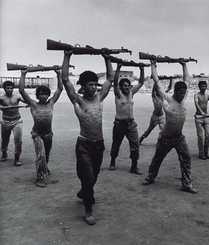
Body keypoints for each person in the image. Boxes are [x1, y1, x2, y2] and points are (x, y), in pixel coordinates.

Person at [61, 50, 114, 225]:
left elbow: (110, 79)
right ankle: (88, 209)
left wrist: (106, 58)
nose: (93, 87)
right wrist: (67, 56)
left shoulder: (99, 98)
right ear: (83, 86)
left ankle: (85, 191)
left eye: (94, 84)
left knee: (94, 176)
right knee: (88, 176)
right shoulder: (78, 100)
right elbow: (65, 80)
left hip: (99, 145)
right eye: (89, 84)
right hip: (84, 144)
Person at [143, 60, 197, 194]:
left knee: (186, 158)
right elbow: (157, 81)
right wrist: (153, 65)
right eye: (180, 93)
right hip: (165, 137)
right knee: (158, 158)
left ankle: (186, 184)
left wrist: (184, 65)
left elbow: (187, 80)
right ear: (175, 92)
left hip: (179, 137)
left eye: (184, 93)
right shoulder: (167, 99)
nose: (183, 95)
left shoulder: (184, 100)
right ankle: (150, 177)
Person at [19, 69, 63, 187]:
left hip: (48, 134)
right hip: (37, 134)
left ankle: (45, 168)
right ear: (37, 95)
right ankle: (40, 177)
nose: (43, 96)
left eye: (46, 94)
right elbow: (22, 91)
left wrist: (58, 74)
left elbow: (59, 89)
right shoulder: (33, 104)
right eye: (41, 94)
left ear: (48, 95)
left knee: (46, 155)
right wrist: (23, 74)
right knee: (41, 155)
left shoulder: (51, 103)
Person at [109, 63, 145, 174]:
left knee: (135, 145)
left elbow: (141, 82)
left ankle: (134, 167)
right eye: (124, 85)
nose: (127, 87)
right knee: (116, 144)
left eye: (128, 85)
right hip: (119, 124)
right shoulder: (118, 94)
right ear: (121, 87)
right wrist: (118, 68)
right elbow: (115, 83)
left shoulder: (131, 93)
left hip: (131, 124)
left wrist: (141, 69)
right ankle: (112, 161)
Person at [139, 77, 174, 144]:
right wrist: (156, 80)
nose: (159, 90)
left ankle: (161, 141)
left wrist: (171, 79)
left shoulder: (162, 96)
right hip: (154, 117)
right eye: (158, 89)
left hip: (161, 117)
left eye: (159, 89)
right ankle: (140, 139)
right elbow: (154, 90)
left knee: (163, 130)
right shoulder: (154, 96)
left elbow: (169, 88)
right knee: (149, 130)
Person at [0, 80, 27, 165]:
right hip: (5, 121)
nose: (9, 89)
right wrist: (3, 107)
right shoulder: (1, 97)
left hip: (17, 121)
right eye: (7, 88)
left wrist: (28, 103)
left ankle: (17, 158)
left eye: (11, 88)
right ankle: (4, 154)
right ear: (4, 89)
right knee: (4, 140)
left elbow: (27, 101)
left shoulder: (17, 97)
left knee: (18, 140)